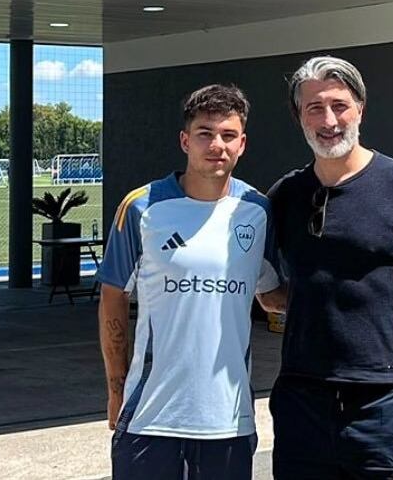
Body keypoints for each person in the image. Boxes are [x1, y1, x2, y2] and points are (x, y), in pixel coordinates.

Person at [266, 55, 393, 479]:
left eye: (339, 105)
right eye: (314, 108)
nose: (329, 119)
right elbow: (263, 280)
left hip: (385, 405)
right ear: (299, 117)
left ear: (361, 109)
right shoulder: (285, 195)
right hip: (301, 404)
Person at [96, 84, 281, 480]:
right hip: (150, 417)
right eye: (205, 134)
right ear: (185, 140)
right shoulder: (143, 207)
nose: (217, 145)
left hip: (229, 421)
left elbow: (270, 296)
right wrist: (115, 391)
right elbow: (113, 298)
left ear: (242, 144)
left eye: (228, 135)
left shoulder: (257, 211)